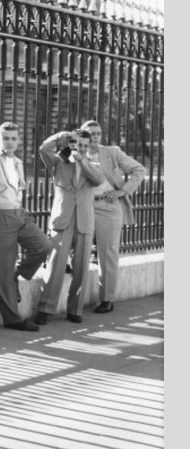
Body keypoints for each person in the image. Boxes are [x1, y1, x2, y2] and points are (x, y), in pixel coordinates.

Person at [0, 122, 51, 332]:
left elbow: (17, 187)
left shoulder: (16, 161)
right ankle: (12, 318)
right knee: (2, 269)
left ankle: (18, 272)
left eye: (14, 138)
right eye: (6, 138)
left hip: (18, 213)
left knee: (43, 246)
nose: (10, 142)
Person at [33, 130, 104, 325]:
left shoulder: (93, 164)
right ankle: (45, 308)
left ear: (88, 147)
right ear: (70, 143)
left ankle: (75, 309)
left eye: (84, 145)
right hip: (62, 220)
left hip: (84, 221)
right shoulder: (57, 161)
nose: (80, 148)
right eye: (77, 144)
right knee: (56, 265)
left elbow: (98, 180)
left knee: (81, 267)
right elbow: (42, 149)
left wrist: (81, 159)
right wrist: (60, 137)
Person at [80, 119, 146, 313]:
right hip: (83, 206)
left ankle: (106, 299)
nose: (95, 137)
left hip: (108, 207)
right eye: (91, 133)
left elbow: (139, 170)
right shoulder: (76, 153)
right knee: (73, 246)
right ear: (82, 135)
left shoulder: (112, 152)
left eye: (98, 133)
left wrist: (123, 191)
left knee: (107, 253)